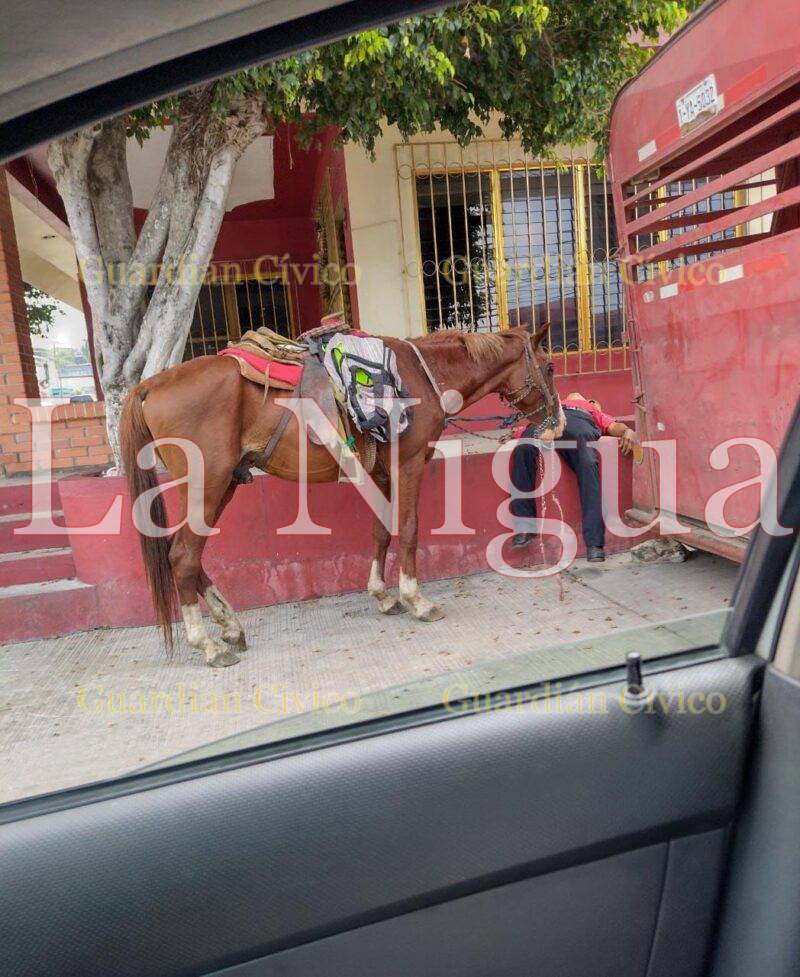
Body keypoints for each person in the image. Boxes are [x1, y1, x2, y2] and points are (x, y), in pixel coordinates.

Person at [507, 392, 639, 562]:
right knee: (524, 449)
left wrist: (627, 430)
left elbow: (614, 427)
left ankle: (594, 545)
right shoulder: (555, 404)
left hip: (578, 423)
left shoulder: (593, 410)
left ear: (592, 403)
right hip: (551, 418)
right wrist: (517, 432)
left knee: (587, 465)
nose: (577, 395)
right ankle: (525, 527)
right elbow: (524, 431)